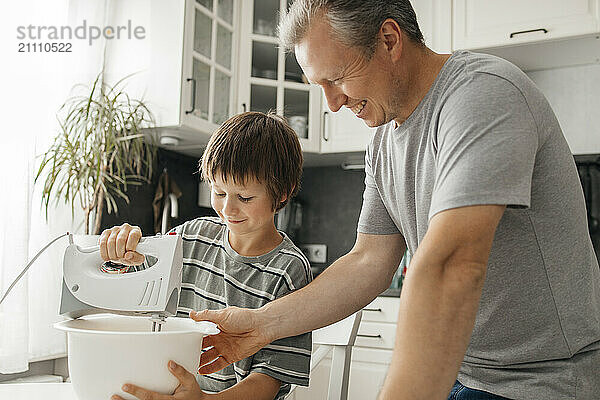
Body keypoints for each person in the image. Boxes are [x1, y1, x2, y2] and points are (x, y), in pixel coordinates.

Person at [191, 1, 600, 399]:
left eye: (337, 78)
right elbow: (368, 262)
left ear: (388, 39)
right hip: (466, 372)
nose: (332, 104)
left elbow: (452, 264)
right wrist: (262, 325)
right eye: (320, 87)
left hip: (541, 380)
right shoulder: (384, 143)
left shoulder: (482, 93)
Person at [102, 112, 312, 400]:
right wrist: (121, 250)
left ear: (283, 194)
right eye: (218, 192)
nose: (228, 209)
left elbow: (269, 379)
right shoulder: (190, 236)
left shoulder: (289, 268)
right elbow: (132, 275)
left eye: (245, 197)